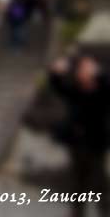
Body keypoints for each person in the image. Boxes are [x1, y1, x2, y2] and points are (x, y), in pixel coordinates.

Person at [50, 53, 110, 217]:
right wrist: (56, 73)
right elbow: (59, 87)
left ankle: (104, 211)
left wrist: (99, 74)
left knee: (100, 181)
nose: (83, 72)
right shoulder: (76, 90)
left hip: (96, 143)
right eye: (81, 69)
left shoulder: (102, 90)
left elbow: (106, 85)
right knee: (78, 181)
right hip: (77, 143)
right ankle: (77, 212)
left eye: (87, 68)